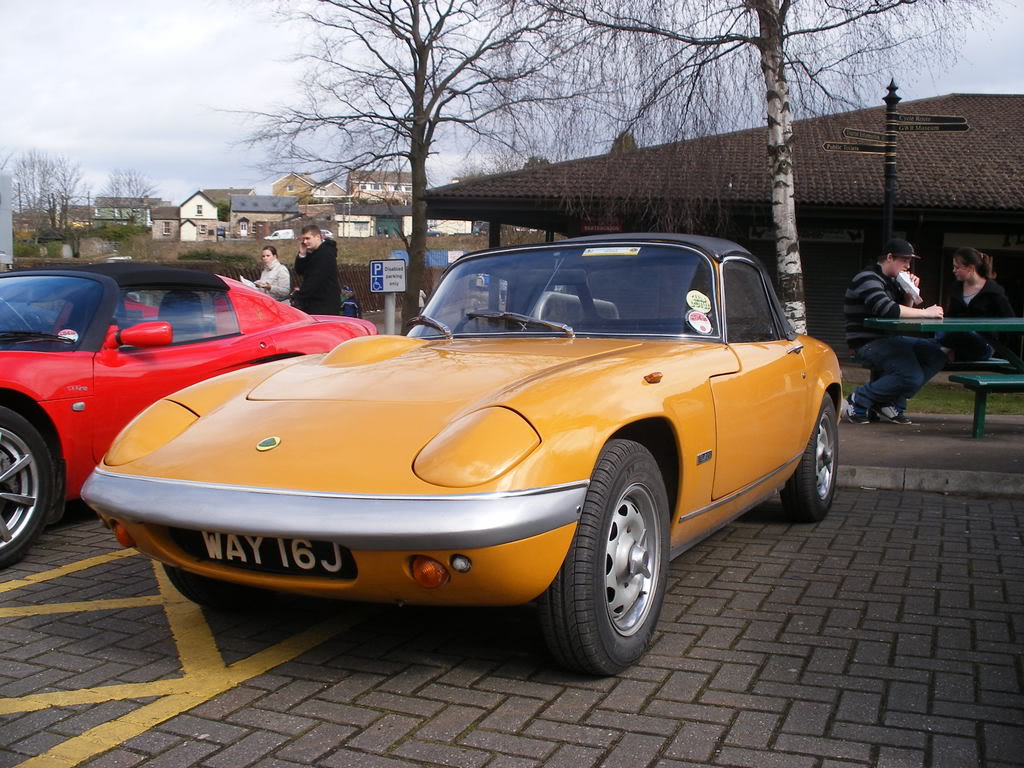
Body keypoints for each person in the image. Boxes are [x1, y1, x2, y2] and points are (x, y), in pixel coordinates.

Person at [843, 238, 947, 425]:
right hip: (866, 343)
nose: (908, 266)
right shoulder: (867, 278)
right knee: (911, 376)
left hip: (891, 340)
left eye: (909, 261)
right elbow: (888, 309)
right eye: (904, 260)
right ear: (890, 257)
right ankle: (858, 400)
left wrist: (910, 292)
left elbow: (901, 316)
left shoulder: (892, 281)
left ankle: (890, 403)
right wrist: (926, 313)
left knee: (937, 355)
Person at [939, 247, 1015, 361]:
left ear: (970, 268)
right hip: (956, 341)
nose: (954, 270)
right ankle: (946, 351)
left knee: (958, 333)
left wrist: (998, 345)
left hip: (984, 343)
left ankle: (945, 351)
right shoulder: (955, 288)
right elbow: (950, 317)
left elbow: (1010, 320)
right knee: (939, 331)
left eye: (957, 267)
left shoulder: (994, 291)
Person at [291, 224, 341, 315]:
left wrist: (299, 295)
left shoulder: (325, 254)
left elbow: (315, 279)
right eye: (303, 239)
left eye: (308, 238)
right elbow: (300, 271)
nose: (305, 242)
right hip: (315, 302)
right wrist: (302, 255)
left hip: (324, 303)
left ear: (317, 237)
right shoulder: (313, 253)